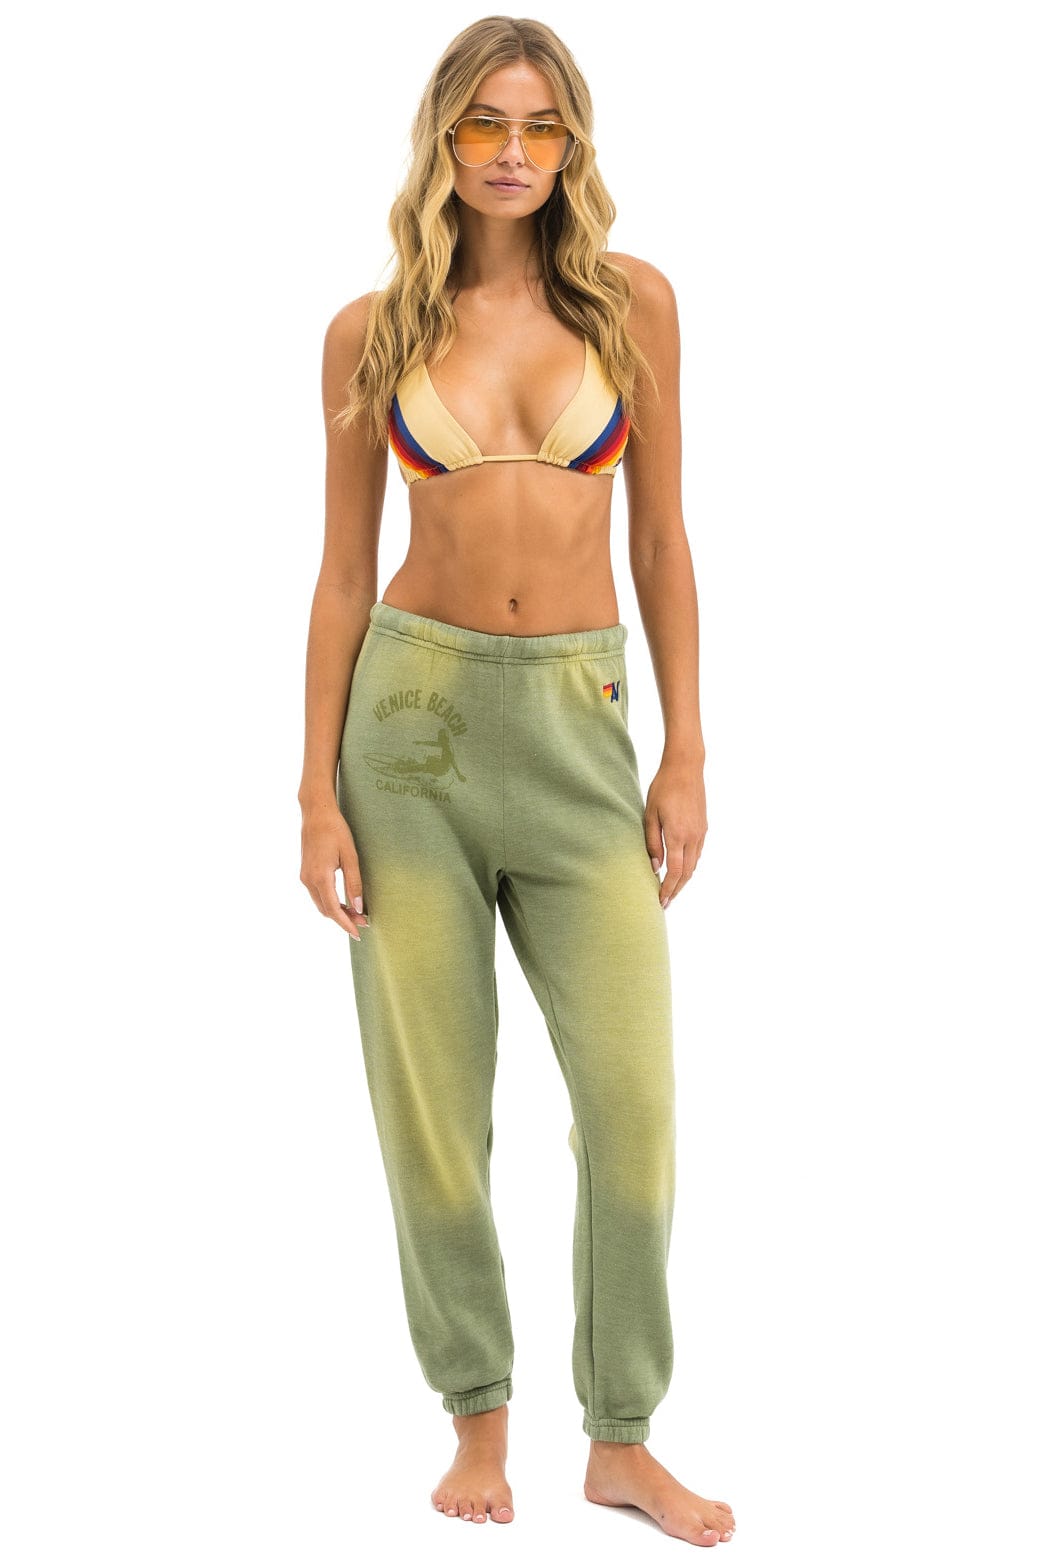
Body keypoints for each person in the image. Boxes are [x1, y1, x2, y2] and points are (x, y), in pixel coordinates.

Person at [298, 15, 732, 1547]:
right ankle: (475, 1414)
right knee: (434, 1103)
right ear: (444, 137)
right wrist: (313, 792)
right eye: (484, 123)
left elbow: (662, 540)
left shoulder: (633, 305)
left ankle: (623, 1440)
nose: (510, 151)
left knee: (632, 1103)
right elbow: (341, 576)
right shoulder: (370, 331)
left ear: (572, 146)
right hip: (408, 734)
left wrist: (686, 746)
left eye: (540, 126)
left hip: (576, 728)